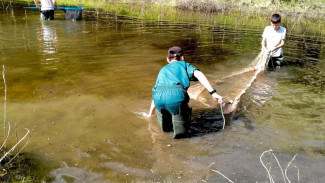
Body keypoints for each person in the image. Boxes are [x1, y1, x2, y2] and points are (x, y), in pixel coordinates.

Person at [147, 46, 223, 139]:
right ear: (182, 58)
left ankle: (164, 141)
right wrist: (213, 93)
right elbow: (198, 74)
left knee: (166, 130)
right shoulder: (184, 64)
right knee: (182, 134)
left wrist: (150, 114)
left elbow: (156, 91)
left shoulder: (163, 70)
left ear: (168, 59)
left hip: (158, 97)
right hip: (177, 95)